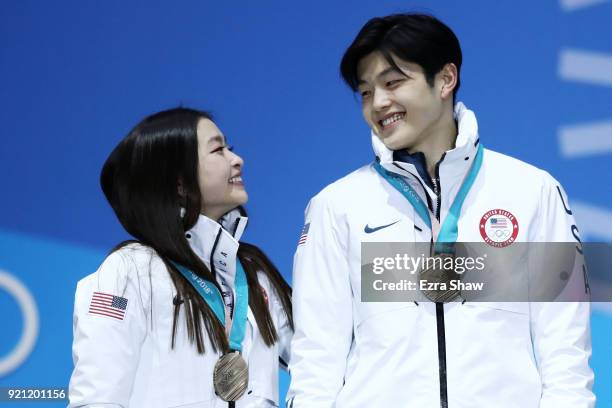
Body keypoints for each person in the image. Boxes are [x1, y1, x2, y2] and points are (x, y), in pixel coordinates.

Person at [287, 13, 594, 408]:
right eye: (365, 92)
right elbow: (316, 360)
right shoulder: (335, 206)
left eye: (393, 82)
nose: (378, 103)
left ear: (446, 79)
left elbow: (566, 350)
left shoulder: (534, 191)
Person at [68, 108, 293, 407]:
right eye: (218, 150)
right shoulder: (127, 273)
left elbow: (325, 357)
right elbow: (96, 399)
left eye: (231, 149)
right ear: (179, 182)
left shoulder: (256, 275)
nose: (237, 160)